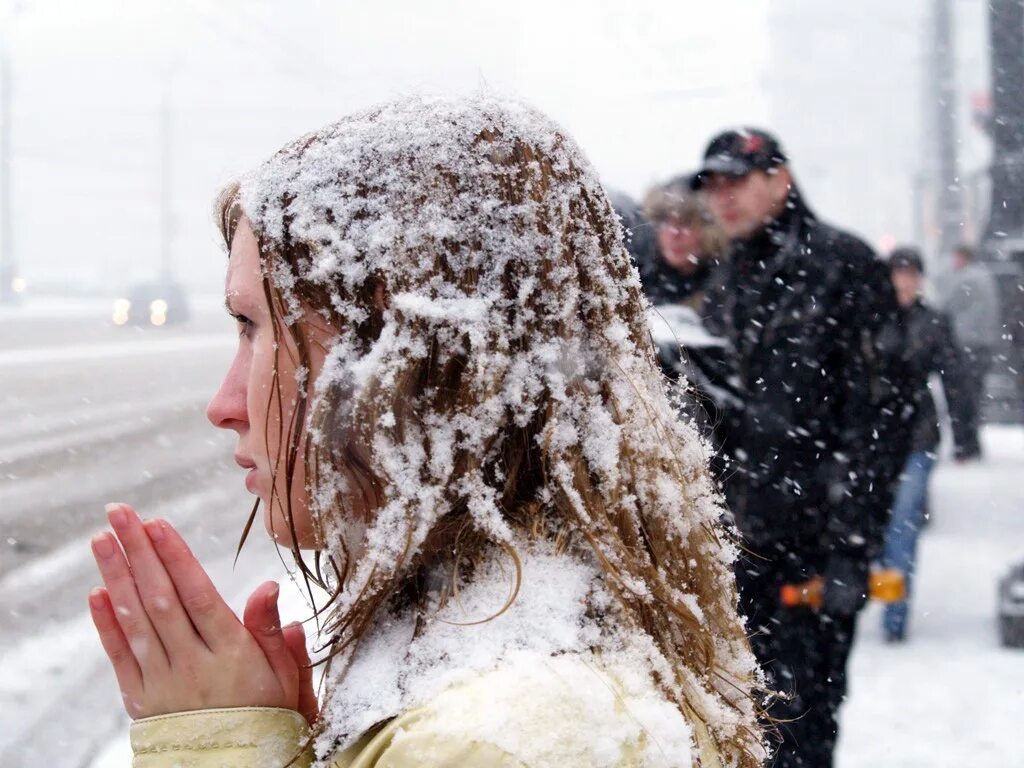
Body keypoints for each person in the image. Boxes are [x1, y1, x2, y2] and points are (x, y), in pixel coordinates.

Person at [87, 97, 767, 768]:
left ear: (404, 357)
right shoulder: (518, 674)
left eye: (255, 327)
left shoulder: (496, 740)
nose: (225, 403)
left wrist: (219, 752)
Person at [693, 128, 905, 768]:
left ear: (779, 180)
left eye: (737, 181)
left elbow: (882, 418)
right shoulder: (727, 278)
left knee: (805, 719)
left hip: (816, 542)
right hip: (741, 542)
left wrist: (852, 545)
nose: (722, 198)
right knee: (745, 722)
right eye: (714, 185)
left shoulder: (844, 263)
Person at [881, 247, 972, 642]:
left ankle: (895, 608)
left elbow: (954, 378)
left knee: (902, 523)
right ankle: (886, 591)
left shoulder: (933, 321)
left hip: (917, 432)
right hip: (873, 434)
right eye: (898, 272)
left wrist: (965, 436)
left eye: (910, 273)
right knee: (879, 524)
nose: (904, 280)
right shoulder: (870, 318)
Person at [936, 243, 1001, 458]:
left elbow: (944, 306)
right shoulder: (986, 278)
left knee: (961, 398)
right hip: (983, 346)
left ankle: (965, 445)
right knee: (974, 395)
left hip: (964, 345)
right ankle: (972, 443)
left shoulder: (965, 280)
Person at [639, 179, 729, 311]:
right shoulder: (638, 280)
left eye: (685, 223)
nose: (674, 233)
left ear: (709, 231)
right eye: (665, 223)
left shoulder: (727, 286)